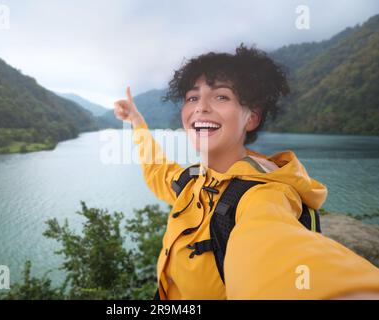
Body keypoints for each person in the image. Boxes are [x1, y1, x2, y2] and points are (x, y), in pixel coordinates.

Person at [113, 44, 379, 300]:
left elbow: (278, 250)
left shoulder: (262, 194)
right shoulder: (195, 180)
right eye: (193, 97)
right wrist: (137, 122)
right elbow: (158, 171)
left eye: (221, 96)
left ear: (251, 117)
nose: (200, 107)